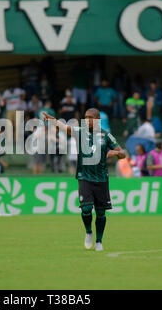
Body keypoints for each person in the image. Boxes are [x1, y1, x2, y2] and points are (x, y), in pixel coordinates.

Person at [42, 108, 126, 252]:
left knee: (101, 213)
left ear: (98, 119)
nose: (87, 120)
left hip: (101, 179)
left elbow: (123, 153)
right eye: (86, 117)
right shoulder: (80, 131)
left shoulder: (106, 135)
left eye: (90, 117)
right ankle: (88, 232)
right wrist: (53, 121)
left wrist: (114, 153)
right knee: (86, 209)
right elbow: (65, 128)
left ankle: (99, 241)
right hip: (84, 177)